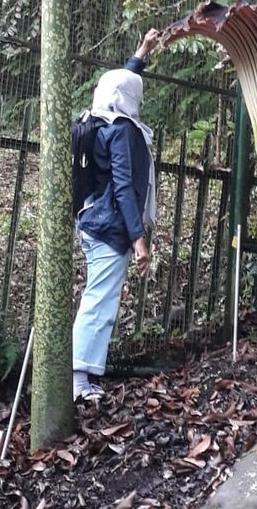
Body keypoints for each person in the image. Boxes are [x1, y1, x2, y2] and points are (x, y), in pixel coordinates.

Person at [72, 29, 160, 401]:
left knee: (100, 298)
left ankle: (83, 378)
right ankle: (78, 383)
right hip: (110, 227)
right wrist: (139, 238)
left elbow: (119, 85)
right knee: (99, 303)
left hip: (92, 218)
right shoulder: (123, 131)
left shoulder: (99, 118)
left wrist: (142, 51)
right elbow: (124, 186)